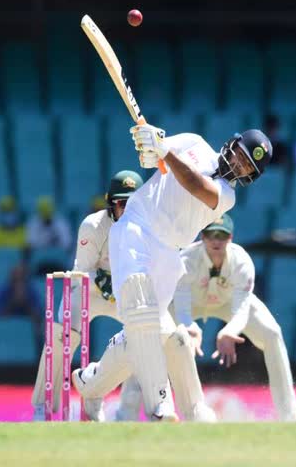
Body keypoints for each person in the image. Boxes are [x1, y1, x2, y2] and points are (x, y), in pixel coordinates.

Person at [72, 125, 273, 423]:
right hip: (137, 226)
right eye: (240, 157)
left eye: (247, 167)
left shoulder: (227, 196)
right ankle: (160, 406)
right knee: (141, 312)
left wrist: (164, 150)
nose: (239, 165)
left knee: (149, 331)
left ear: (249, 177)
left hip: (168, 252)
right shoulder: (194, 143)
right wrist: (150, 143)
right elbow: (151, 159)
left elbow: (195, 184)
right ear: (232, 145)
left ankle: (90, 382)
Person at [30, 170, 212, 422]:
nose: (127, 210)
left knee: (169, 337)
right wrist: (105, 282)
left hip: (131, 294)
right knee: (61, 335)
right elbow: (81, 274)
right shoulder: (93, 226)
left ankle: (166, 407)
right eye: (122, 204)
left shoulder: (153, 227)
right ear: (110, 204)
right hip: (92, 292)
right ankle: (44, 405)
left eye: (133, 203)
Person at [169, 214, 296, 420]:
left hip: (228, 302)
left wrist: (229, 331)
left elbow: (241, 309)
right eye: (211, 235)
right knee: (151, 333)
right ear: (202, 237)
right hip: (191, 303)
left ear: (230, 238)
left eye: (221, 236)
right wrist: (189, 327)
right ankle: (144, 408)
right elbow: (182, 308)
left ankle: (290, 416)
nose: (216, 241)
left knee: (272, 333)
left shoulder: (242, 262)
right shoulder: (185, 260)